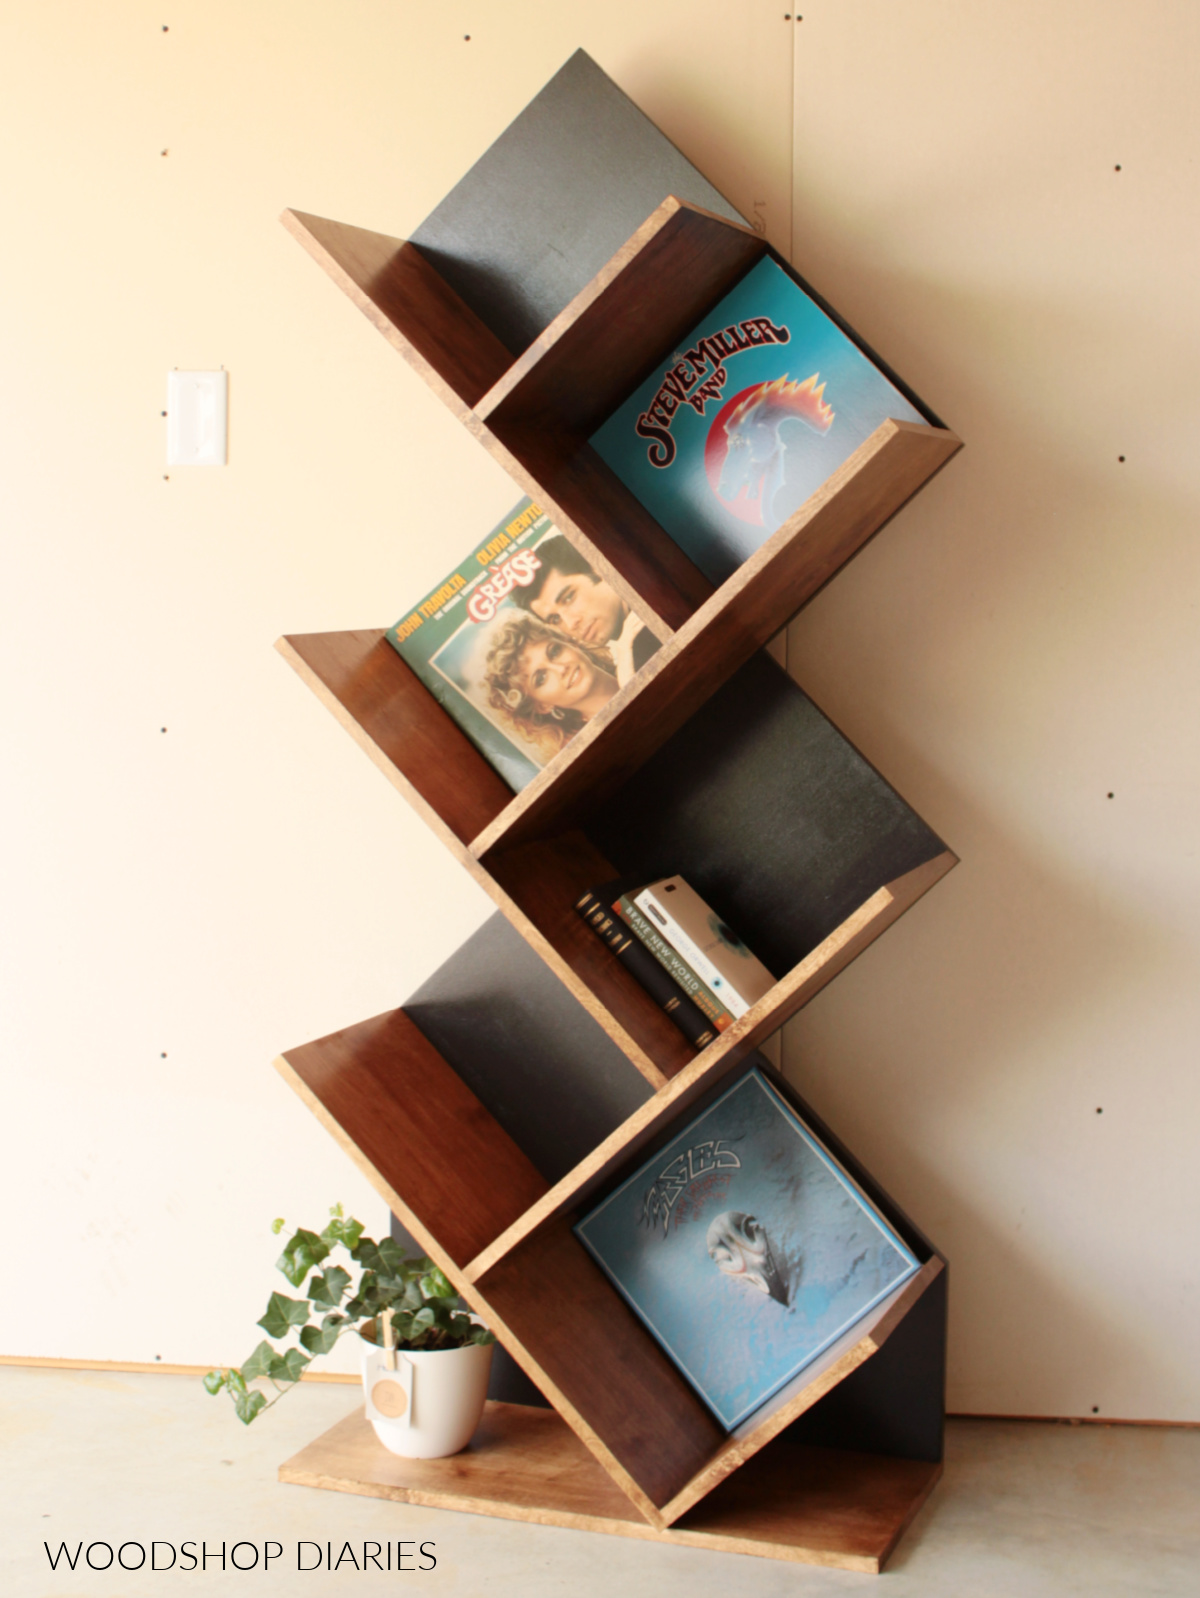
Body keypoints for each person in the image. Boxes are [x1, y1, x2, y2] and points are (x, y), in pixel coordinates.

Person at [512, 535, 659, 687]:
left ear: (597, 568)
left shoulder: (658, 603)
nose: (570, 623)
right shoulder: (629, 660)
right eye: (555, 619)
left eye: (568, 597)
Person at [481, 614, 619, 765]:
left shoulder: (634, 647)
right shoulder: (590, 755)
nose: (561, 668)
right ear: (541, 706)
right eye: (541, 678)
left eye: (554, 651)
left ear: (569, 642)